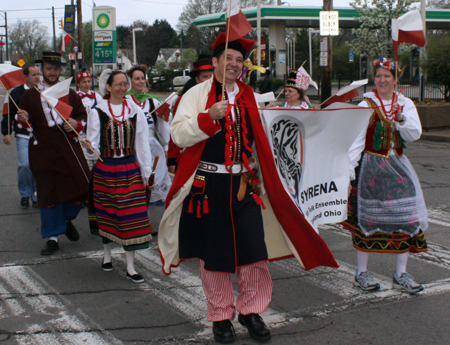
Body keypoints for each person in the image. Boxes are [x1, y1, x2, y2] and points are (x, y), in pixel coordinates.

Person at [159, 33, 337, 344]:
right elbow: (177, 137)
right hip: (209, 186)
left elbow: (269, 138)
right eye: (228, 58)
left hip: (246, 185)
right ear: (214, 62)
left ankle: (251, 310)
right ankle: (220, 315)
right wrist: (207, 119)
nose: (234, 64)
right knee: (213, 255)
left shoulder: (250, 96)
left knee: (254, 252)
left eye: (239, 60)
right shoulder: (197, 95)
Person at [342, 57, 428, 294]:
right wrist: (349, 174)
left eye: (387, 76)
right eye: (379, 76)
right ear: (374, 78)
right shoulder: (366, 105)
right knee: (366, 221)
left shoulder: (405, 104)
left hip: (398, 168)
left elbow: (414, 134)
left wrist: (401, 118)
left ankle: (401, 273)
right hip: (370, 169)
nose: (382, 80)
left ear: (395, 79)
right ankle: (361, 272)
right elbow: (356, 143)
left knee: (406, 219)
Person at [84, 69, 154, 283]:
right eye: (118, 84)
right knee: (107, 213)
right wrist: (87, 148)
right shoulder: (97, 112)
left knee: (132, 216)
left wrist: (147, 172)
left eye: (125, 84)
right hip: (105, 169)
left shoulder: (134, 110)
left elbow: (142, 143)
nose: (123, 88)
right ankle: (106, 257)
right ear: (108, 86)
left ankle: (131, 267)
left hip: (129, 169)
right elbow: (92, 148)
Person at [16, 52, 90, 255]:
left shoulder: (70, 93)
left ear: (60, 70)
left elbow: (82, 117)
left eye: (56, 69)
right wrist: (23, 117)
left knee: (80, 184)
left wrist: (76, 123)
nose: (52, 72)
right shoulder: (30, 95)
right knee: (48, 192)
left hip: (67, 147)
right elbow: (23, 122)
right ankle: (52, 237)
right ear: (42, 70)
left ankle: (66, 220)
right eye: (48, 68)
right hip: (43, 149)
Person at [126, 65, 171, 208]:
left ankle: (148, 220)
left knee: (153, 183)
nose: (140, 81)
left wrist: (166, 147)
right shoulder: (125, 101)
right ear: (130, 81)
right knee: (136, 184)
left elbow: (163, 125)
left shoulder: (153, 102)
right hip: (133, 148)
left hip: (154, 148)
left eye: (142, 78)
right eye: (136, 78)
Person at [1, 65, 40, 208]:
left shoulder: (43, 91)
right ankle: (24, 193)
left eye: (38, 74)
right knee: (25, 165)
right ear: (26, 77)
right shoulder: (16, 93)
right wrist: (6, 132)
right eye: (33, 74)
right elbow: (8, 114)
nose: (37, 77)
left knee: (37, 166)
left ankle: (36, 194)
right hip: (23, 135)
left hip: (39, 135)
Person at [167, 56, 214, 173]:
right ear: (197, 79)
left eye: (211, 76)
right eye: (205, 77)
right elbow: (176, 130)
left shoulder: (223, 98)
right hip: (191, 155)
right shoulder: (185, 99)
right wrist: (172, 159)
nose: (209, 80)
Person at [76, 67, 103, 170]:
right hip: (82, 132)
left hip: (95, 131)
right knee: (84, 158)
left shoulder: (97, 96)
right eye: (83, 82)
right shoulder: (76, 97)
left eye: (88, 81)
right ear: (78, 84)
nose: (87, 84)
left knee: (96, 154)